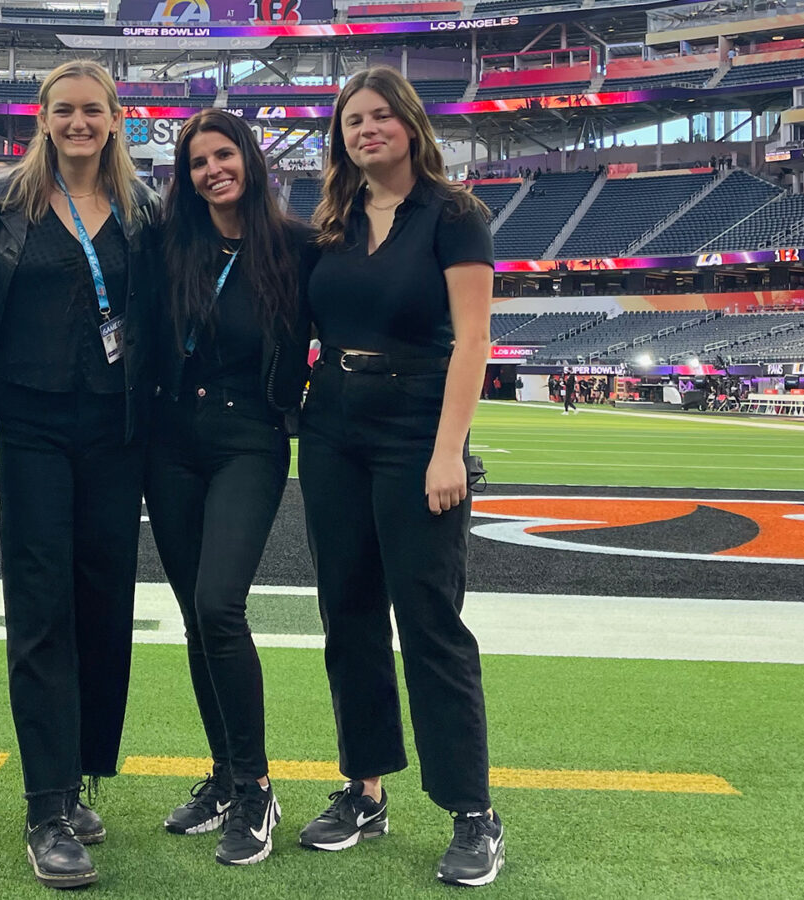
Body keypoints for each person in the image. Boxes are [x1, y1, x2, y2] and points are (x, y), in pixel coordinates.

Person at [295, 66, 503, 887]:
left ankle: (472, 811)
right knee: (347, 616)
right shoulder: (334, 222)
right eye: (353, 121)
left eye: (381, 116)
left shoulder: (456, 215)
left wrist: (449, 449)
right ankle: (364, 789)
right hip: (332, 424)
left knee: (430, 622)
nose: (367, 129)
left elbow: (474, 339)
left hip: (417, 426)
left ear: (411, 125)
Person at [0, 59, 162, 889]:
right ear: (41, 118)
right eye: (64, 111)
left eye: (93, 111)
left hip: (116, 430)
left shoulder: (145, 212)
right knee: (40, 604)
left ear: (115, 119)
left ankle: (81, 776)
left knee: (103, 604)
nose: (79, 123)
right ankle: (45, 806)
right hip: (33, 424)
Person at [144, 108, 315, 866]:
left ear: (248, 158)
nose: (213, 170)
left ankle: (255, 787)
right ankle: (221, 776)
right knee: (194, 617)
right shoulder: (170, 241)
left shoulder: (299, 247)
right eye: (197, 161)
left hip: (251, 439)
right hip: (172, 441)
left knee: (220, 605)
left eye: (224, 155)